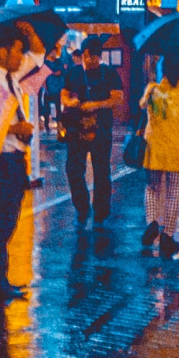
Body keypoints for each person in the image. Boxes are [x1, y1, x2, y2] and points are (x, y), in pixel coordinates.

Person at [0, 21, 50, 298]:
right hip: (2, 160)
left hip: (16, 158)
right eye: (17, 51)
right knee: (1, 222)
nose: (22, 57)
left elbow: (39, 55)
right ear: (1, 52)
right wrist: (13, 129)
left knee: (9, 221)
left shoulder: (10, 75)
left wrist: (30, 33)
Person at [50, 31, 126, 229]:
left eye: (94, 56)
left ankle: (101, 212)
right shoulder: (74, 73)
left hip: (101, 128)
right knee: (73, 169)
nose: (90, 60)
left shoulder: (108, 73)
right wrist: (70, 102)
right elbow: (63, 94)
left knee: (102, 170)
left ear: (99, 56)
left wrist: (97, 105)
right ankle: (82, 208)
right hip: (76, 128)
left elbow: (118, 98)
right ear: (83, 54)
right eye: (87, 56)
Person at [138, 58, 179, 258]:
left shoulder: (153, 90)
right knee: (173, 193)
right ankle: (167, 235)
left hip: (155, 149)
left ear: (163, 72)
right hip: (178, 151)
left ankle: (152, 222)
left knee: (153, 188)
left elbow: (142, 105)